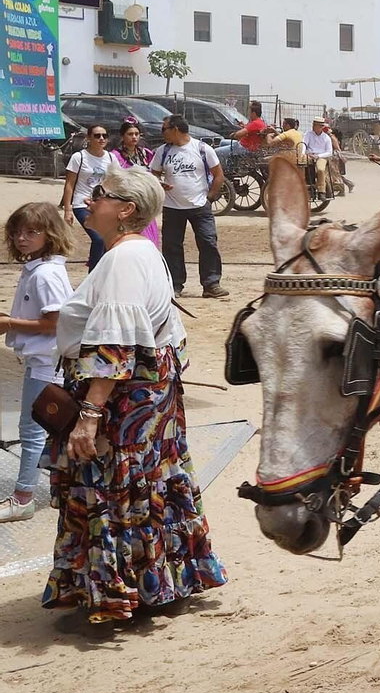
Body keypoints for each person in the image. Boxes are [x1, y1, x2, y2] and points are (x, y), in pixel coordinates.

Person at [42, 162, 227, 622]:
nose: (90, 200)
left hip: (123, 402)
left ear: (125, 209)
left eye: (100, 194)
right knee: (149, 485)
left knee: (114, 488)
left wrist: (88, 414)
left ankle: (119, 589)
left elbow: (115, 344)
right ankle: (157, 581)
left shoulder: (124, 259)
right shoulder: (142, 251)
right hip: (150, 396)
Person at [0, 204, 73, 522]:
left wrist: (9, 324)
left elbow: (54, 323)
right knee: (54, 428)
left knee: (32, 430)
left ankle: (23, 496)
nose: (21, 239)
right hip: (44, 359)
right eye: (16, 232)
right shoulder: (39, 269)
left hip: (47, 361)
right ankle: (62, 488)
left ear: (50, 234)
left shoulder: (44, 275)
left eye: (31, 232)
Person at [151, 116, 227, 299]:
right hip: (172, 207)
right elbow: (153, 173)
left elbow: (218, 174)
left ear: (175, 129)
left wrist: (209, 198)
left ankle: (211, 284)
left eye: (164, 129)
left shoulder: (202, 149)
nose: (162, 133)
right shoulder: (163, 151)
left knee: (208, 242)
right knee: (172, 246)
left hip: (200, 206)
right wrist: (159, 183)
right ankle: (175, 284)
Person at [61, 124, 112, 270]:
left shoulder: (110, 157)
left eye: (104, 135)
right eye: (97, 135)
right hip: (81, 204)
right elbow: (69, 184)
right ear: (89, 138)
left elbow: (115, 181)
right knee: (98, 238)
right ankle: (93, 276)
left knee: (108, 240)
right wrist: (67, 210)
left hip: (102, 204)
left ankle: (103, 274)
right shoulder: (79, 157)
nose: (101, 138)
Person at [109, 121, 160, 245]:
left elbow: (152, 174)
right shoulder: (114, 156)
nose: (134, 137)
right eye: (130, 134)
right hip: (125, 199)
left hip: (144, 200)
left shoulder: (145, 154)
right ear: (122, 136)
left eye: (137, 134)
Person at [304, 118, 336, 197]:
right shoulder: (308, 134)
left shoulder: (326, 138)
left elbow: (329, 152)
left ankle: (322, 191)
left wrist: (318, 156)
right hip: (309, 155)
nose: (313, 126)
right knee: (302, 166)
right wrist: (303, 153)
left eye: (316, 125)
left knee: (321, 169)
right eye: (313, 124)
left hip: (321, 156)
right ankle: (309, 188)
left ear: (321, 127)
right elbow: (304, 145)